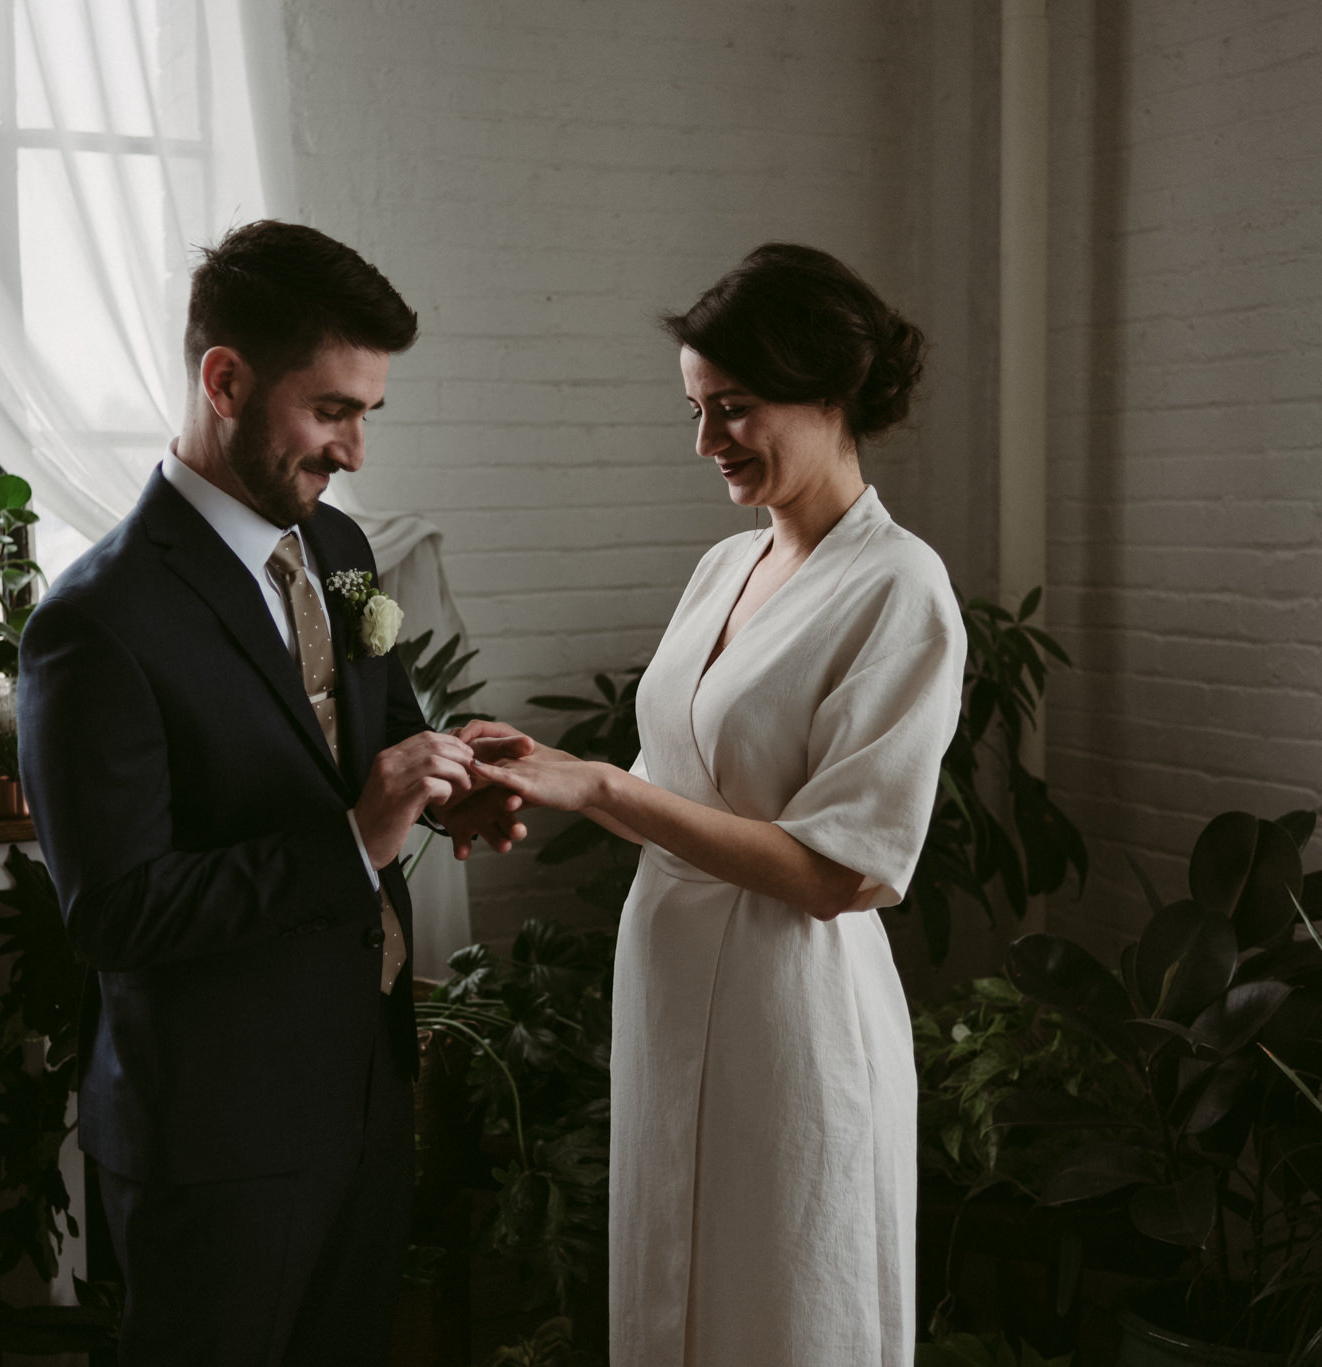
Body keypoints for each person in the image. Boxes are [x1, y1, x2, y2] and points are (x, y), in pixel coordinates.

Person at [18, 220, 530, 1365]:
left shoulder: (338, 550)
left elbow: (370, 737)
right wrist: (353, 840)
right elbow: (115, 913)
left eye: (366, 414)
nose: (353, 449)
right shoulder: (93, 623)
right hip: (213, 1138)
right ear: (225, 379)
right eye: (331, 409)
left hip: (360, 1096)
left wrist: (444, 784)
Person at [472, 243, 965, 1366]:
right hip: (669, 981)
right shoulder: (721, 569)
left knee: (783, 1299)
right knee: (669, 1292)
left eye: (732, 408)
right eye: (694, 410)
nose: (706, 443)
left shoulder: (899, 587)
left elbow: (841, 870)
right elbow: (673, 786)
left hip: (787, 1003)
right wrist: (544, 769)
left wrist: (599, 785)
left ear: (829, 390)